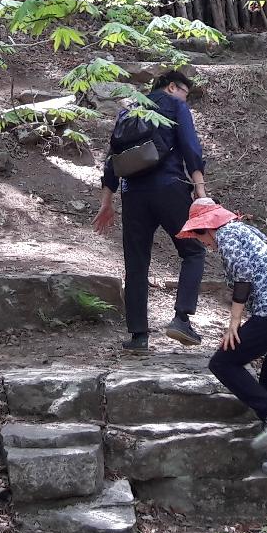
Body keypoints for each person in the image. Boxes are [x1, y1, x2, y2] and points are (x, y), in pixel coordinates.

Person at [177, 197, 267, 480]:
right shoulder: (248, 231)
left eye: (199, 236)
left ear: (206, 228)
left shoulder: (227, 234)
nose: (203, 243)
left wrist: (234, 322)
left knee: (223, 364)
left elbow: (243, 276)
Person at [95, 70, 208, 352]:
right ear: (172, 87)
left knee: (136, 264)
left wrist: (106, 201)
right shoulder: (175, 106)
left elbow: (113, 158)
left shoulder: (130, 109)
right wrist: (201, 193)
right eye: (185, 92)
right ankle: (181, 319)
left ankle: (138, 337)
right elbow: (191, 147)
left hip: (133, 195)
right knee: (193, 251)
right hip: (169, 189)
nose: (187, 99)